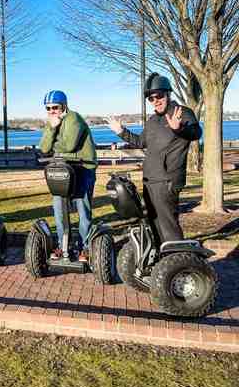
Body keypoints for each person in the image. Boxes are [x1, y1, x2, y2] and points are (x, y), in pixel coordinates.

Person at [108, 73, 202, 243]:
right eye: (151, 98)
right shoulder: (152, 120)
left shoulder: (182, 113)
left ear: (168, 94)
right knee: (154, 223)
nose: (155, 101)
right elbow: (140, 141)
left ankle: (178, 265)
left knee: (168, 226)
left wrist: (178, 129)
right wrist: (121, 132)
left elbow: (196, 133)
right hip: (149, 179)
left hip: (167, 180)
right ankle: (162, 262)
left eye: (159, 96)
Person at [38, 91, 98, 262]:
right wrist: (52, 127)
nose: (52, 111)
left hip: (82, 169)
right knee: (59, 209)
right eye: (48, 108)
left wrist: (53, 140)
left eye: (55, 107)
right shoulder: (52, 123)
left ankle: (84, 247)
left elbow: (69, 145)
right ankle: (62, 244)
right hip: (63, 170)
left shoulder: (74, 119)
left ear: (63, 106)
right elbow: (43, 148)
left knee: (82, 210)